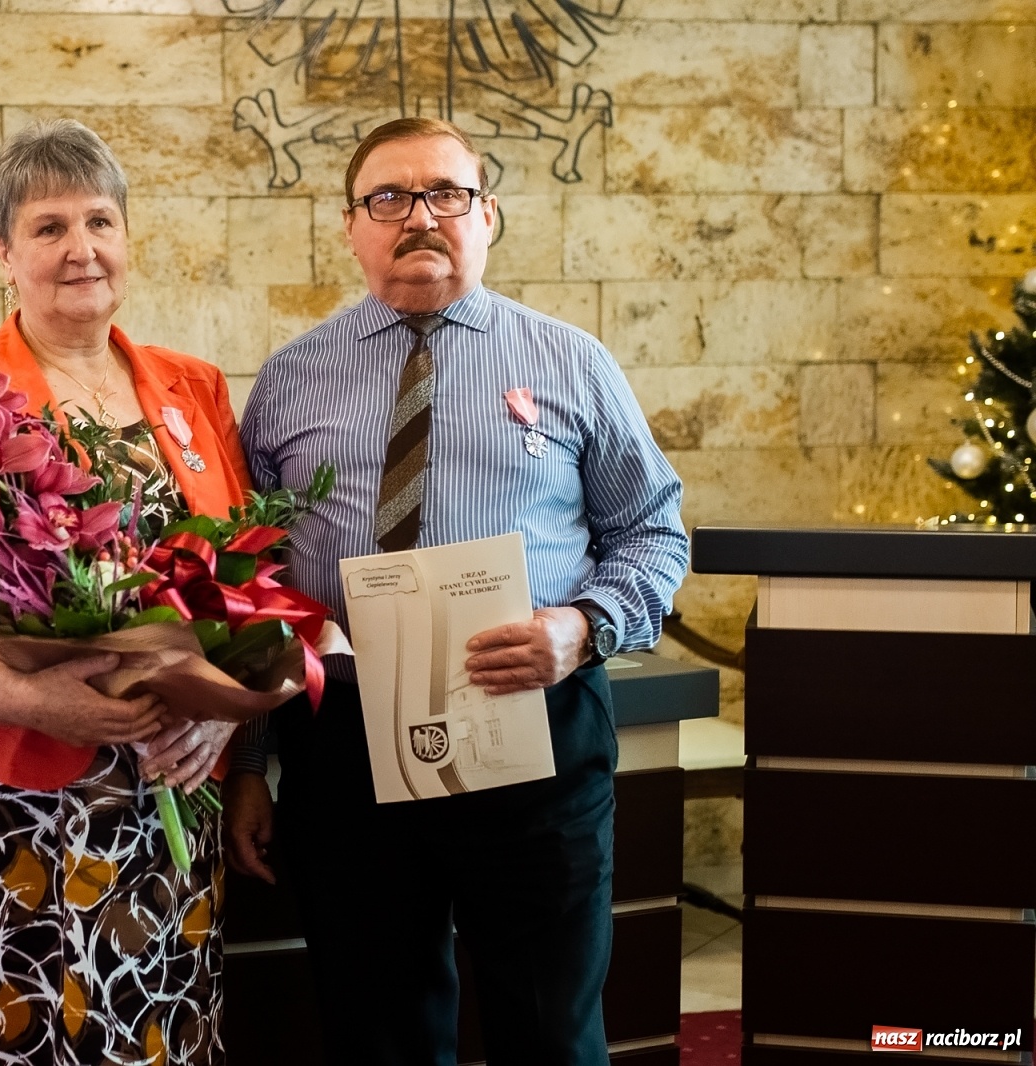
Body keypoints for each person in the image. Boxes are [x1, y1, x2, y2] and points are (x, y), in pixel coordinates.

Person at [222, 117, 688, 1066]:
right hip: (344, 751)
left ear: (488, 216)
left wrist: (584, 628)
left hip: (533, 734)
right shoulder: (290, 381)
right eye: (388, 197)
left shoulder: (572, 363)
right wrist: (249, 762)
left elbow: (654, 530)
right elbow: (254, 580)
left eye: (446, 193)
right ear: (350, 227)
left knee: (550, 1032)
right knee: (377, 1034)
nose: (419, 217)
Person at [0, 118, 249, 1066]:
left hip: (172, 795)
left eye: (99, 221)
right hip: (22, 808)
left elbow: (248, 584)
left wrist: (224, 718)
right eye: (49, 227)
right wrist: (38, 700)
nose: (82, 248)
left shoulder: (195, 388)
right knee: (27, 1036)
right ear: (4, 255)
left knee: (158, 1033)